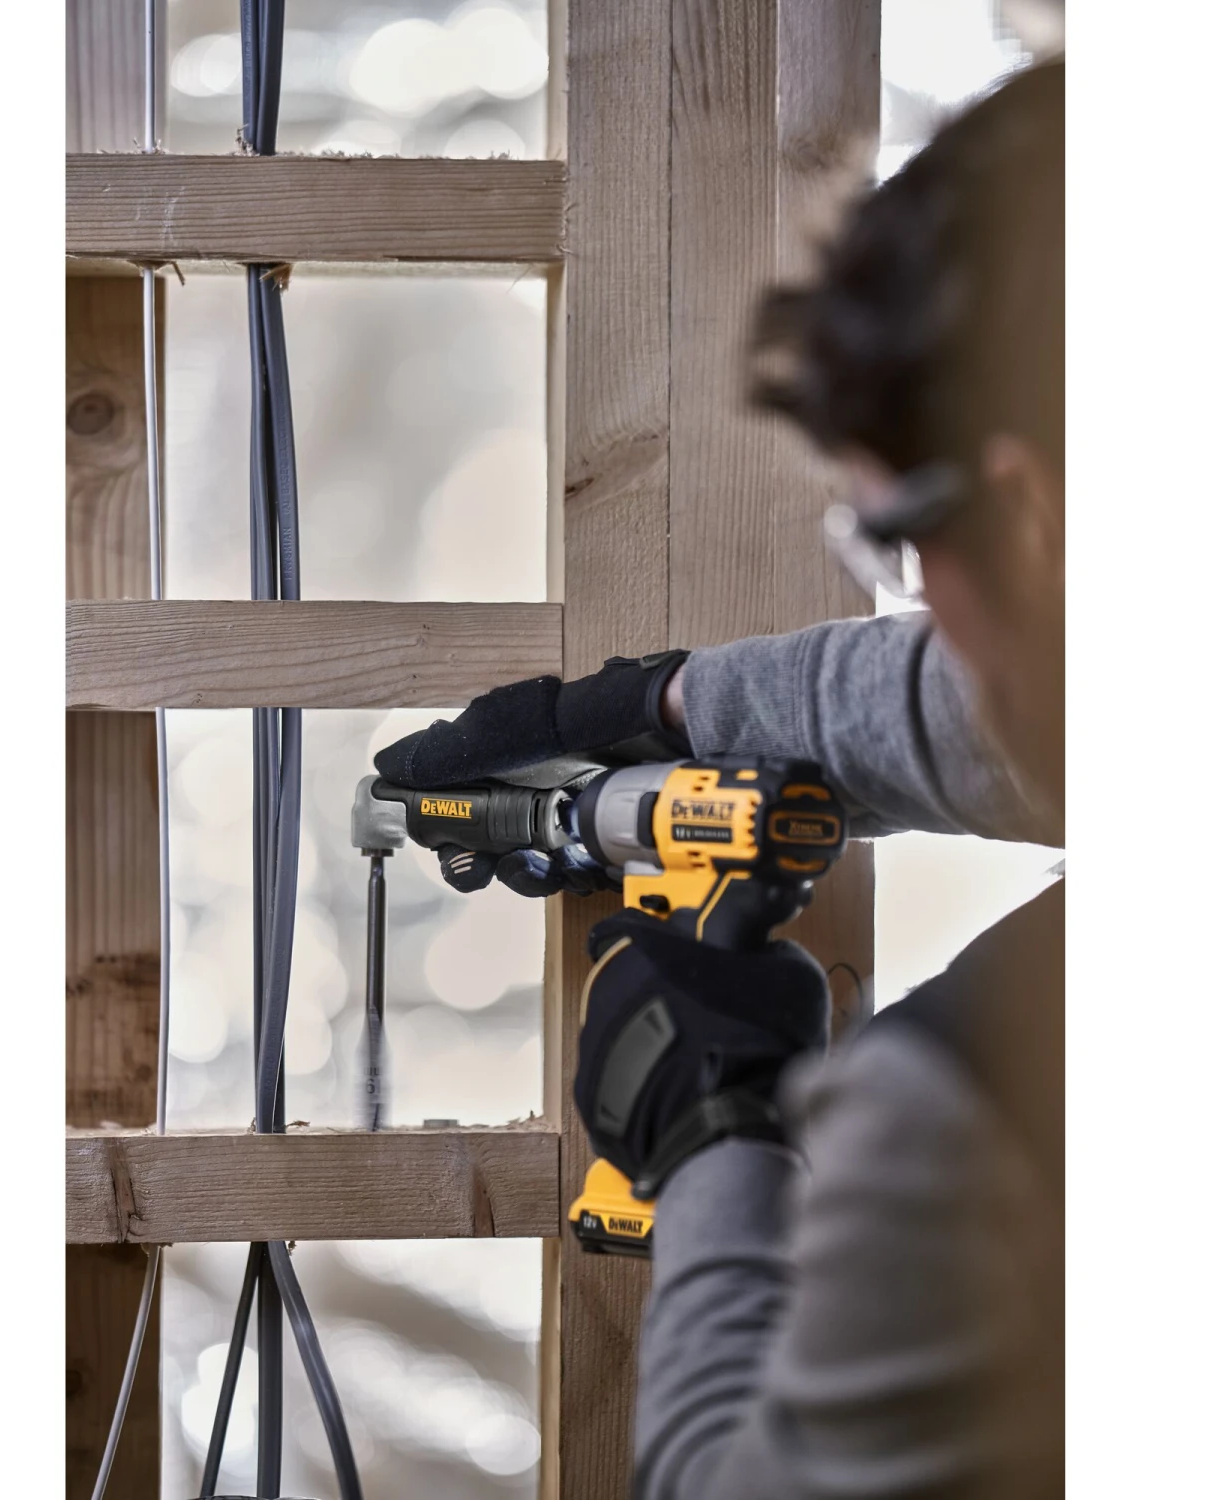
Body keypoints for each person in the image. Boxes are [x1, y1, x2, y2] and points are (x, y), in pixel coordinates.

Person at [377, 58, 1064, 1499]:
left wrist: (716, 1143)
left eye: (900, 543)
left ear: (1030, 514)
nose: (920, 608)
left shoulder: (983, 1128)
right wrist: (664, 706)